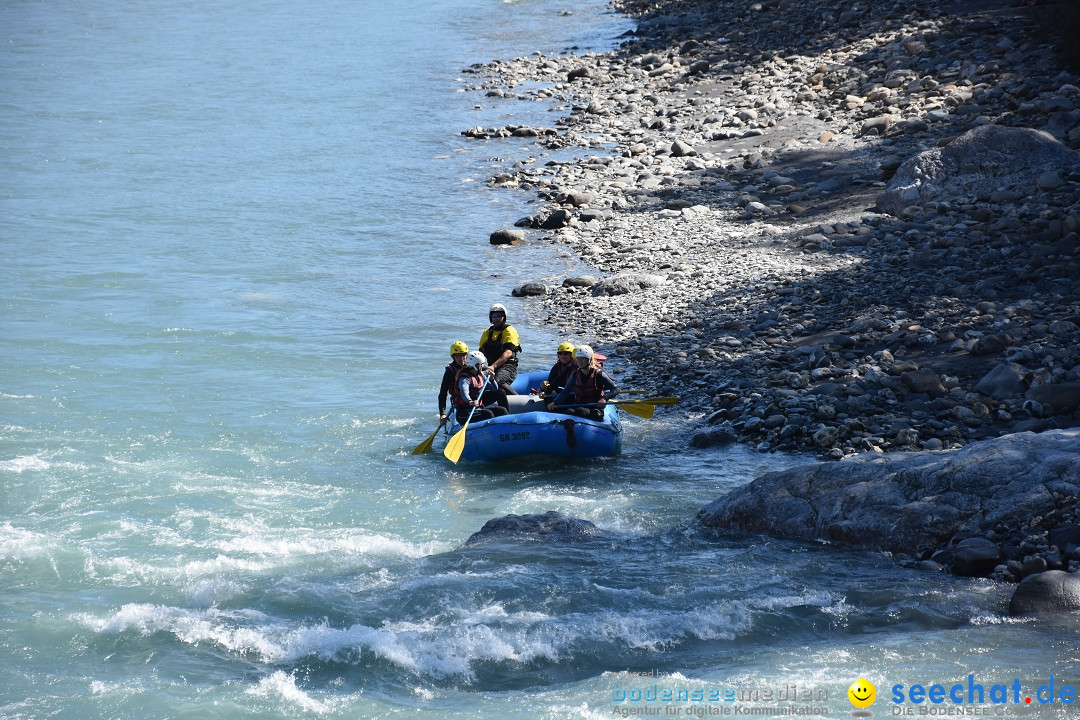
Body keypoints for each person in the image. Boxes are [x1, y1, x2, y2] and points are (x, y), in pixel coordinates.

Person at [547, 345, 619, 421]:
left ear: (589, 359)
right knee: (568, 411)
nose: (579, 361)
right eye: (578, 358)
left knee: (580, 411)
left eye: (582, 358)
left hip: (595, 409)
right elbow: (565, 392)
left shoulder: (599, 374)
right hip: (579, 405)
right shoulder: (574, 375)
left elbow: (615, 389)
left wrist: (604, 398)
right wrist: (554, 402)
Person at [453, 351, 509, 423]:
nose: (483, 366)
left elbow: (494, 388)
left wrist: (492, 379)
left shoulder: (480, 375)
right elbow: (464, 392)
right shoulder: (464, 379)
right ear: (476, 365)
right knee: (488, 414)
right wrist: (470, 401)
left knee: (502, 410)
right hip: (464, 413)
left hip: (477, 408)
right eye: (481, 364)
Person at [478, 303, 521, 395]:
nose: (497, 318)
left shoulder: (509, 330)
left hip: (508, 367)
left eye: (499, 315)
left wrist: (493, 366)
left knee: (497, 382)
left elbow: (508, 352)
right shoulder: (487, 332)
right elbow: (480, 354)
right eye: (494, 315)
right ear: (491, 317)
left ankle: (518, 399)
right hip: (491, 367)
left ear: (504, 317)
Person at [438, 341, 469, 425]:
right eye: (458, 356)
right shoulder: (450, 371)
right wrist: (442, 414)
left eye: (463, 355)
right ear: (453, 357)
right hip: (460, 402)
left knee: (500, 392)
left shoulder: (472, 365)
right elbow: (443, 394)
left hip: (474, 398)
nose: (462, 358)